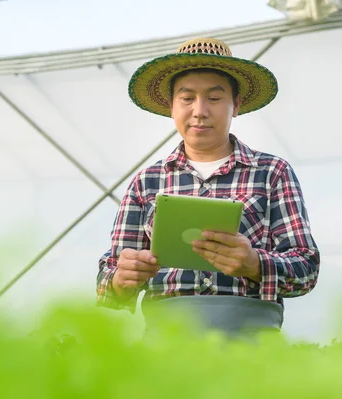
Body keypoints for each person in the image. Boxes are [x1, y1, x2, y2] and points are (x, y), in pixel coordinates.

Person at [96, 37, 320, 339]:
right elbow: (109, 277)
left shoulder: (272, 173)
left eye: (214, 98)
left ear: (235, 105)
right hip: (165, 345)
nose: (199, 111)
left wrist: (255, 264)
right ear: (171, 107)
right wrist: (121, 278)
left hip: (251, 346)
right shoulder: (146, 182)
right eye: (187, 98)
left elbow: (306, 267)